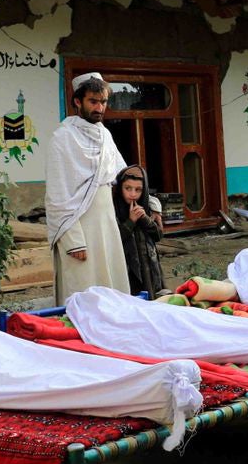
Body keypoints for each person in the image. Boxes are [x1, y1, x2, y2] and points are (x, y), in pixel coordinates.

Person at [45, 72, 130, 305]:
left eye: (103, 102)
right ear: (77, 102)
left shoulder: (105, 135)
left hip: (106, 225)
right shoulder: (62, 138)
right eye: (93, 101)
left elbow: (122, 176)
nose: (100, 108)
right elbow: (57, 194)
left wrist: (149, 202)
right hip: (79, 229)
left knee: (112, 294)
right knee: (83, 294)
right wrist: (73, 240)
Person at [112, 165, 167, 298]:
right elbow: (114, 240)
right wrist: (130, 221)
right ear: (120, 188)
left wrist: (145, 219)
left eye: (138, 190)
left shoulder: (148, 207)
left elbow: (158, 235)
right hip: (128, 268)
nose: (133, 194)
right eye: (128, 188)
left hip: (150, 266)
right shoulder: (114, 209)